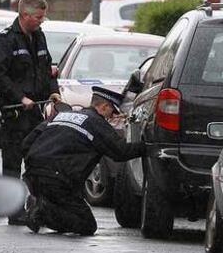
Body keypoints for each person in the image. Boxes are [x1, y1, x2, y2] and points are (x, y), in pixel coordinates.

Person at [22, 86, 145, 236]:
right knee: (86, 225)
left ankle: (39, 204)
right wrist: (148, 147)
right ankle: (41, 211)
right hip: (58, 181)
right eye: (112, 112)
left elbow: (27, 143)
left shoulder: (62, 115)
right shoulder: (96, 122)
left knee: (64, 209)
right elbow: (120, 152)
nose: (112, 117)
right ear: (105, 106)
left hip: (33, 176)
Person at [0, 0, 61, 225]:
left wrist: (54, 90)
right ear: (25, 15)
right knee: (12, 164)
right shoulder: (5, 41)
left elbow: (47, 68)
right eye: (38, 17)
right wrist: (20, 97)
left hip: (36, 113)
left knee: (38, 160)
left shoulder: (39, 37)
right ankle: (14, 211)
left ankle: (36, 207)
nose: (42, 20)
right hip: (15, 112)